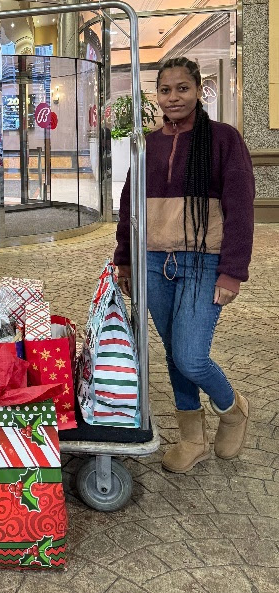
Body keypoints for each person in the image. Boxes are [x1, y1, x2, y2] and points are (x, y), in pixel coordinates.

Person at [114, 57, 255, 473]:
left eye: (182, 88)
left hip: (203, 262)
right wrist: (125, 259)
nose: (173, 97)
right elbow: (129, 208)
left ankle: (232, 408)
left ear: (198, 91)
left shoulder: (223, 139)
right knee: (175, 355)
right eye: (165, 90)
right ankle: (192, 436)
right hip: (154, 262)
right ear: (156, 94)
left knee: (192, 357)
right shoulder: (147, 144)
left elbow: (241, 208)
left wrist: (232, 271)